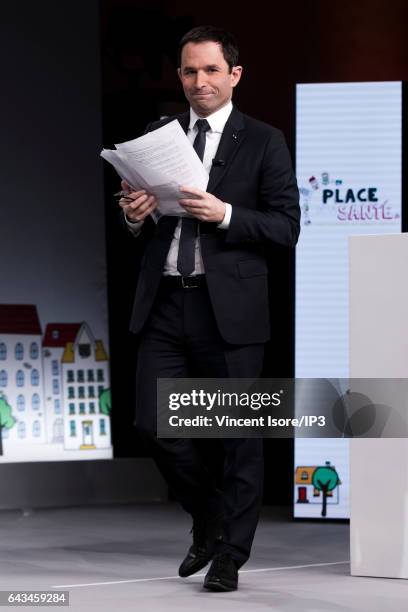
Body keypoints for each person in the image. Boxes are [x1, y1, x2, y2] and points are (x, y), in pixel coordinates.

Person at [118, 25, 300, 592]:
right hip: (167, 302)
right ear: (180, 75)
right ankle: (210, 517)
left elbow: (286, 227)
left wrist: (223, 214)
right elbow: (140, 222)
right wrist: (134, 212)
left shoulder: (264, 140)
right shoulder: (158, 134)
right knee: (154, 423)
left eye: (211, 71)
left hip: (232, 309)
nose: (200, 82)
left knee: (235, 435)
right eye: (190, 71)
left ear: (235, 75)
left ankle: (231, 555)